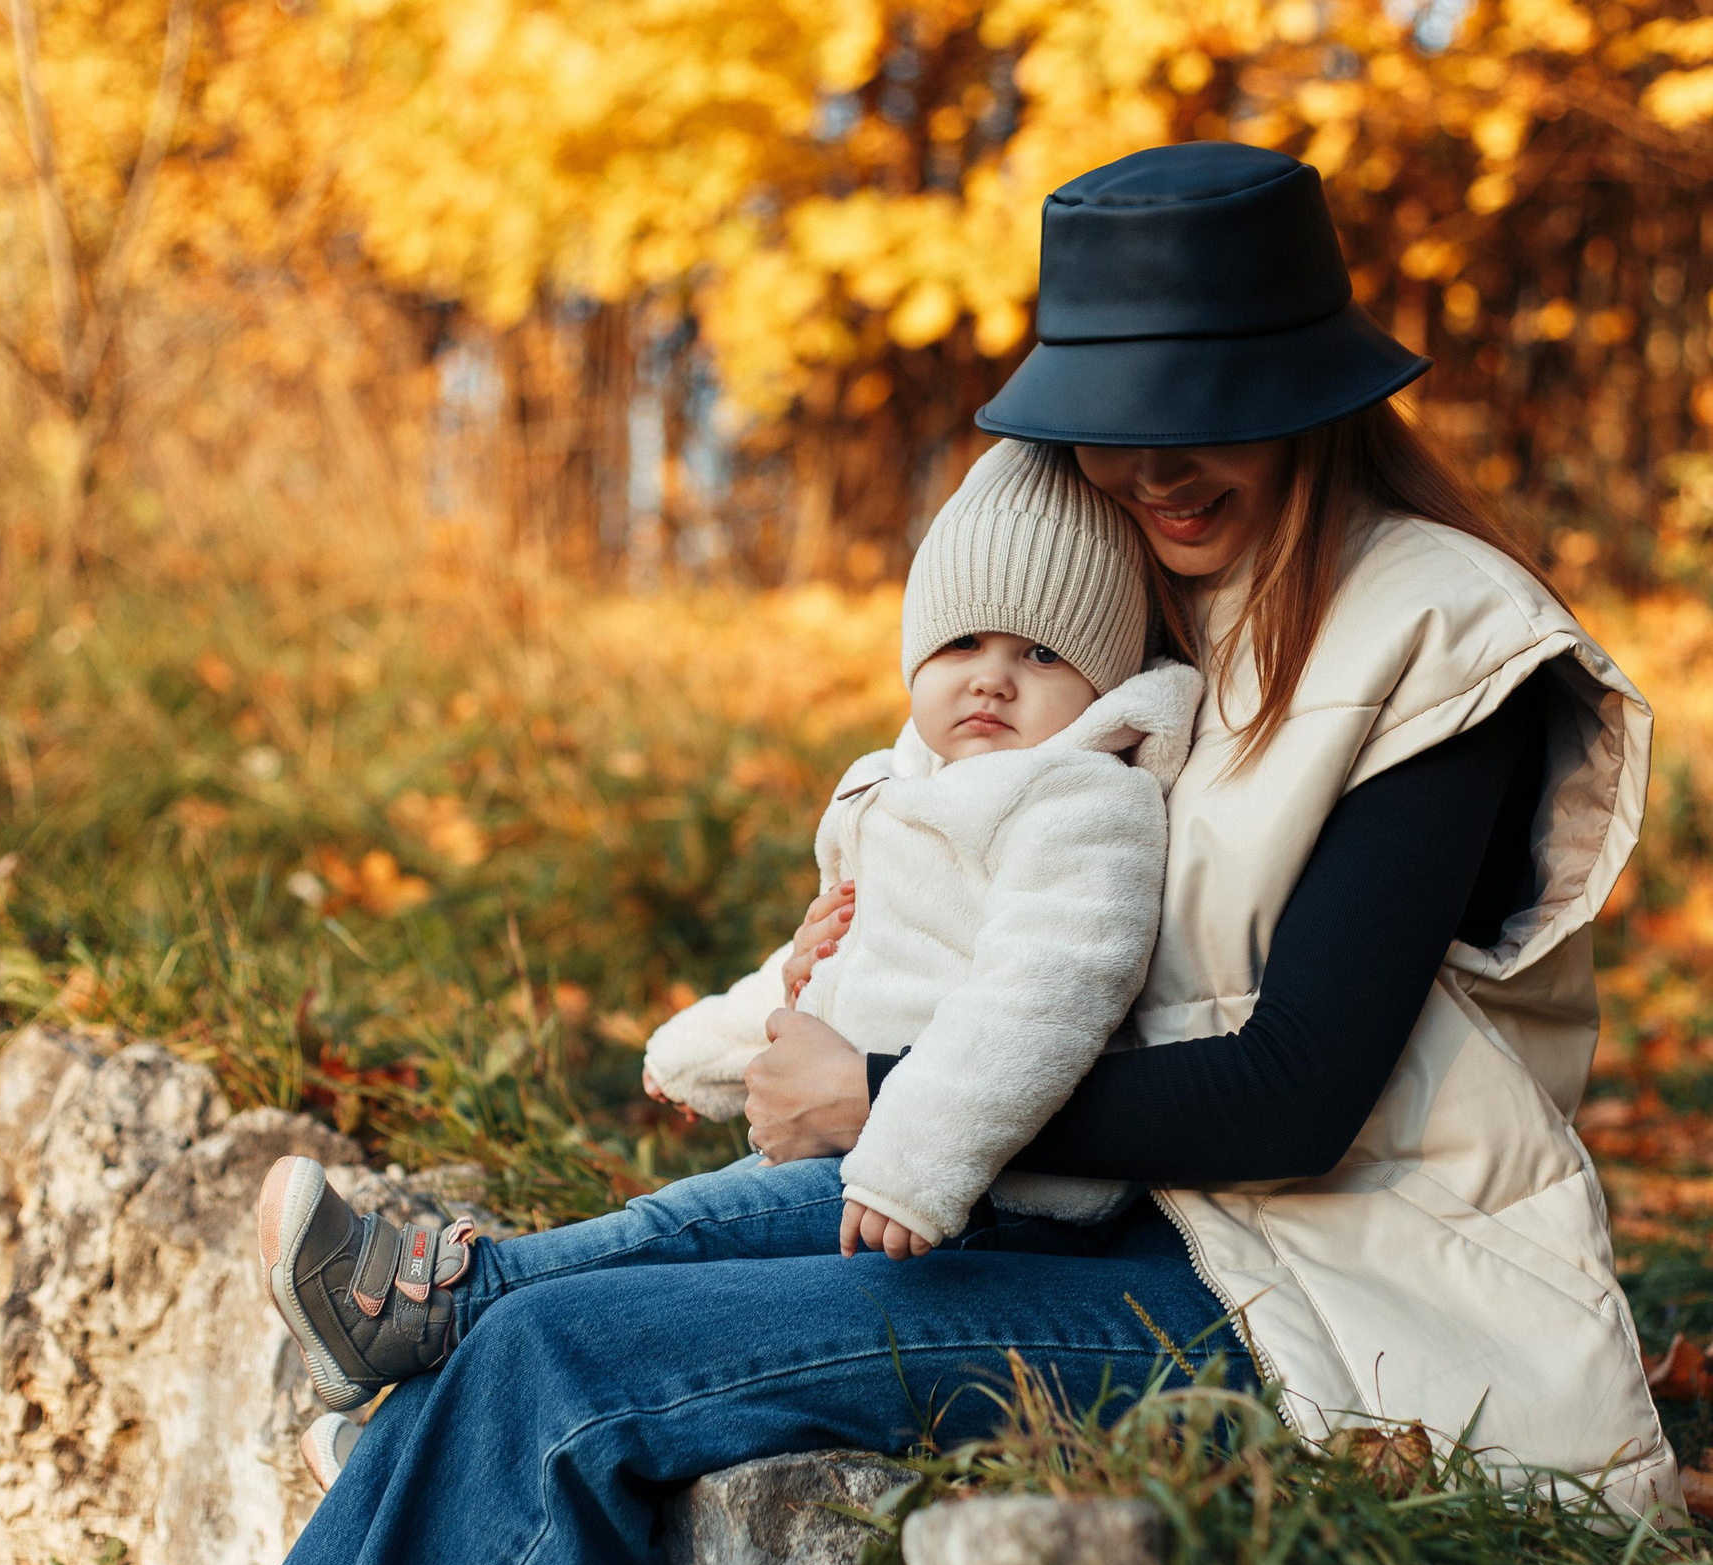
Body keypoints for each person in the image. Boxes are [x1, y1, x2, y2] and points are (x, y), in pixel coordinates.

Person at [199, 140, 1675, 1565]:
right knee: (511, 1343)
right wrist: (858, 925)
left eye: (1203, 416)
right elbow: (1015, 869)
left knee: (562, 1371)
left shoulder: (1442, 638)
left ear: (1315, 393)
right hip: (1095, 1216)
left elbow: (1297, 1094)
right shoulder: (1153, 588)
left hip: (1310, 1303)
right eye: (1110, 427)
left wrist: (885, 1092)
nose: (1152, 467)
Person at [263, 439, 1201, 1485]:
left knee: (683, 1229)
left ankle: (448, 1301)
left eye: (1041, 655)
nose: (991, 676)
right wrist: (703, 1050)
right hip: (865, 1160)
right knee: (691, 1233)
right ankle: (412, 1451)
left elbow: (1047, 994)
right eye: (964, 642)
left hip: (984, 1185)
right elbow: (822, 963)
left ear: (1106, 680)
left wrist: (916, 1160)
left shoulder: (1081, 804)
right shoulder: (894, 787)